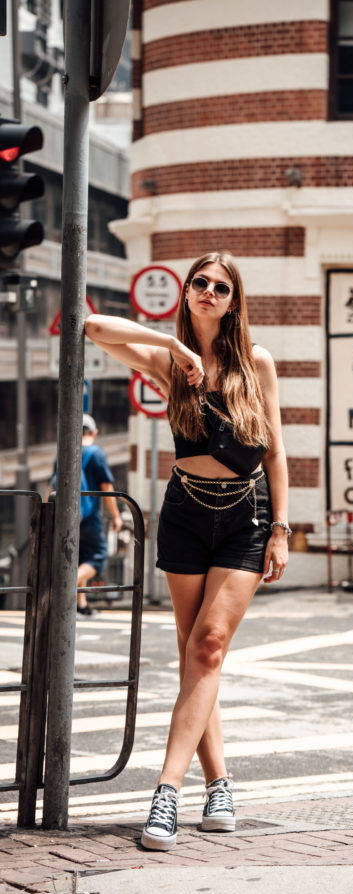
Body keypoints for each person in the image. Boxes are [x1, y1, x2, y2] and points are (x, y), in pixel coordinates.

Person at [84, 250, 289, 851]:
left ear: (233, 301)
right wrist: (173, 347)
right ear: (188, 293)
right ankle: (219, 782)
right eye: (198, 283)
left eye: (219, 287)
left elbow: (275, 452)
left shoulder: (257, 363)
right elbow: (93, 328)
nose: (206, 292)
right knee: (196, 655)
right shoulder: (170, 364)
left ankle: (165, 793)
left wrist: (281, 528)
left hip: (246, 518)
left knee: (208, 644)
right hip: (186, 514)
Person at [49, 414, 122, 618]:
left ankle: (81, 606)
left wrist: (48, 515)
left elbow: (51, 486)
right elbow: (106, 486)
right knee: (97, 557)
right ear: (94, 432)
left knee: (78, 558)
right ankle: (66, 589)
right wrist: (116, 516)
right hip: (88, 516)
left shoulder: (63, 453)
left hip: (65, 516)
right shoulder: (96, 453)